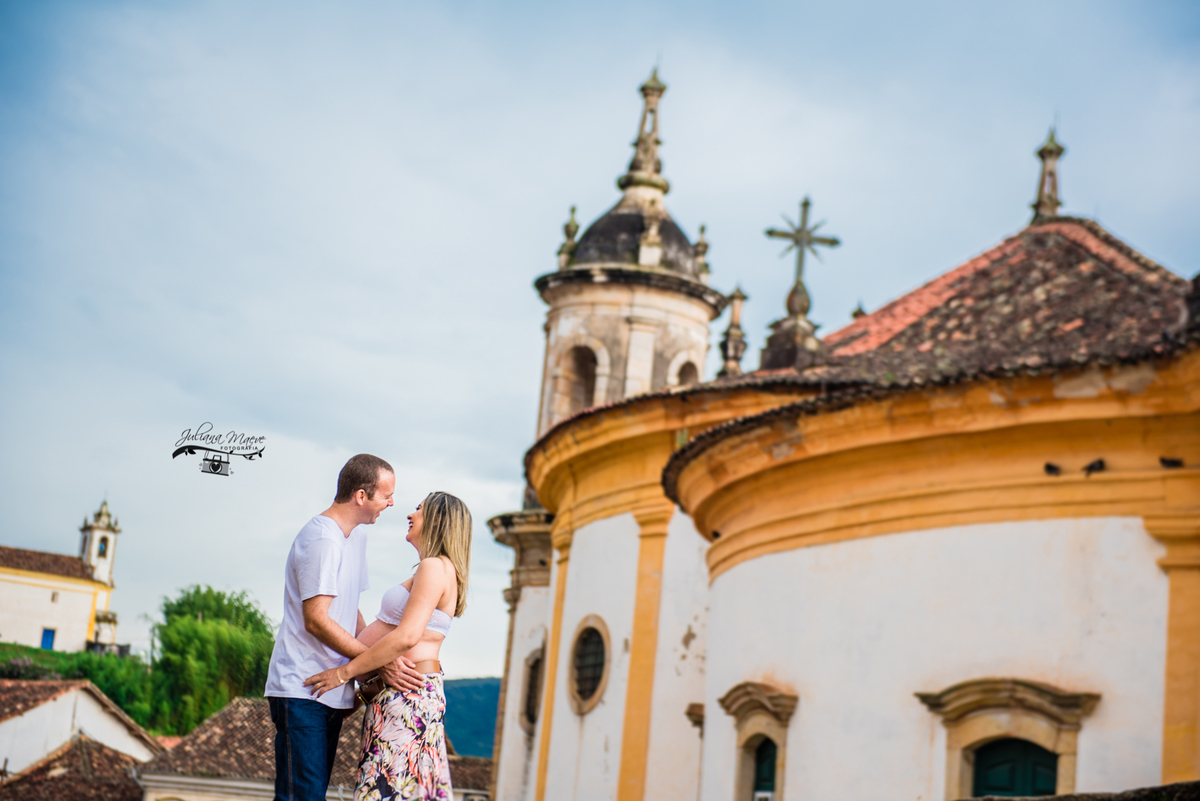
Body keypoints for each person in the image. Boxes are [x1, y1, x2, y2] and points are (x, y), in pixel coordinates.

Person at [265, 454, 424, 801]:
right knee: (301, 797)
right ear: (361, 496)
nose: (392, 503)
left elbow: (350, 612)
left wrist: (367, 666)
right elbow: (317, 619)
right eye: (386, 495)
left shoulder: (356, 539)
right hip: (302, 687)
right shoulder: (322, 540)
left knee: (312, 794)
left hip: (331, 688)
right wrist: (376, 661)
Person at [305, 491, 472, 801]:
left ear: (437, 519)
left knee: (386, 791)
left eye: (419, 509)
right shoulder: (435, 569)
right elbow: (393, 641)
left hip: (409, 697)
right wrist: (363, 693)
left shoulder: (434, 567)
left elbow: (406, 638)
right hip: (399, 692)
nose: (411, 514)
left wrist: (343, 673)